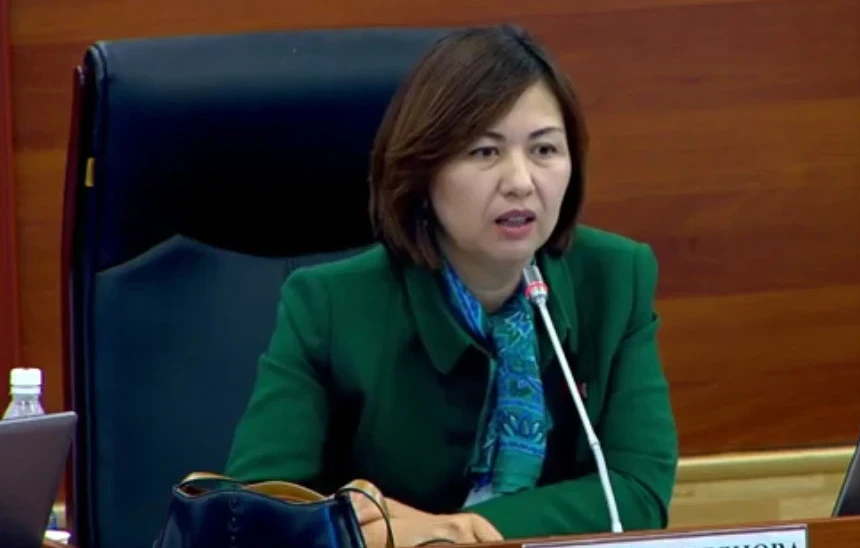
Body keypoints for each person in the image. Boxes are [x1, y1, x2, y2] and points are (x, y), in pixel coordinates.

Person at [224, 24, 678, 545]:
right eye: (484, 152)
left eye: (544, 150)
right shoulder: (327, 305)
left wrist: (459, 531)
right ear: (424, 171)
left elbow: (637, 492)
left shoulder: (615, 277)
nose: (521, 182)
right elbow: (255, 513)